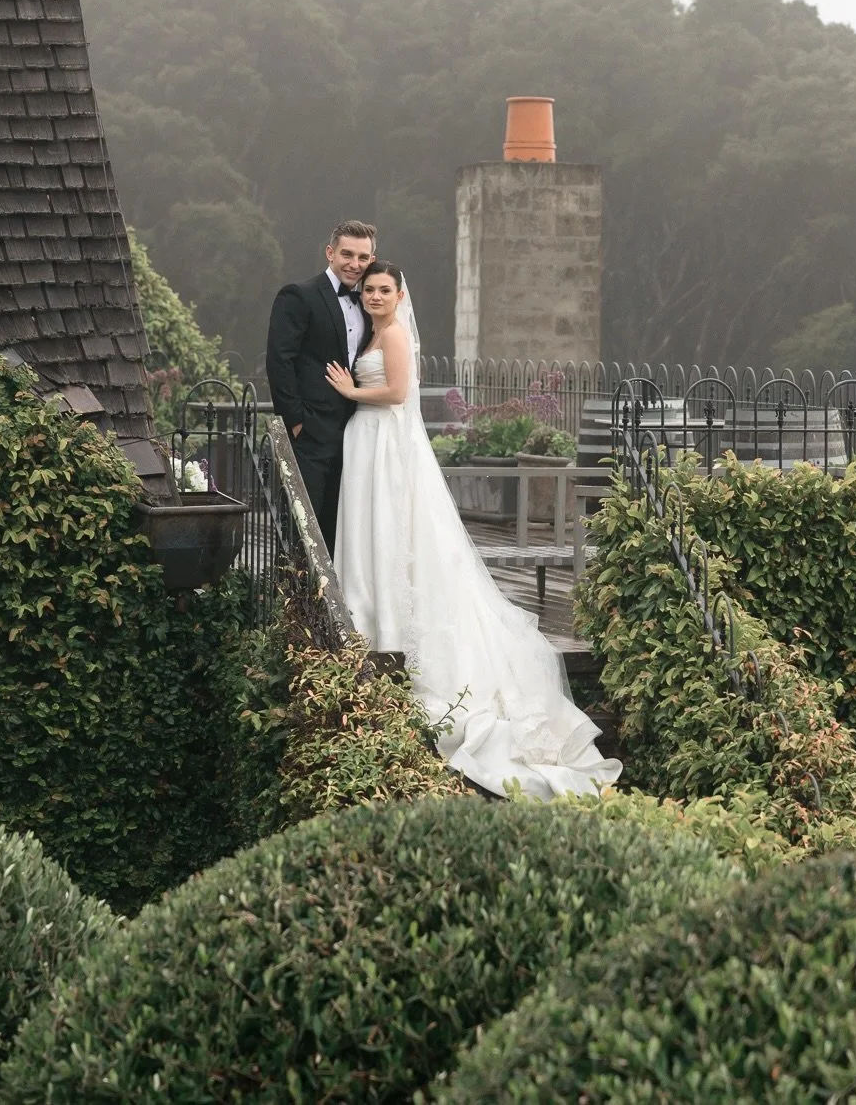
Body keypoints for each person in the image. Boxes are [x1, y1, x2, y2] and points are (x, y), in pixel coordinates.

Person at [326, 261, 622, 801]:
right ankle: (371, 611)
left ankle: (393, 625)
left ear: (399, 295)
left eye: (384, 290)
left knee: (396, 532)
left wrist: (351, 392)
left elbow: (397, 392)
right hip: (368, 441)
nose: (375, 296)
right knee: (377, 533)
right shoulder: (372, 332)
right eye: (369, 289)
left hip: (384, 438)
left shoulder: (393, 335)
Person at [265, 221, 376, 553]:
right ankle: (294, 587)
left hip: (356, 434)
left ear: (371, 259)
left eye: (363, 257)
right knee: (302, 528)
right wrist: (297, 422)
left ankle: (333, 588)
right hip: (311, 433)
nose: (354, 264)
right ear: (330, 253)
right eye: (347, 254)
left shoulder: (370, 302)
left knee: (340, 530)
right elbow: (280, 360)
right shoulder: (299, 295)